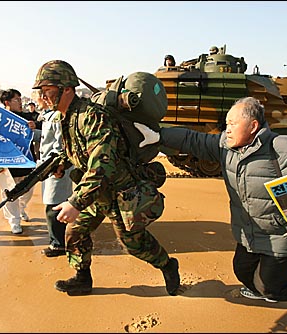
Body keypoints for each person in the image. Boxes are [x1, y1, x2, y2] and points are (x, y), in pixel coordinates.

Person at [135, 96, 287, 316]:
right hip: (247, 233)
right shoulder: (225, 147)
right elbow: (193, 139)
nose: (226, 129)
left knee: (270, 287)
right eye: (227, 123)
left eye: (232, 124)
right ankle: (264, 287)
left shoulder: (282, 147)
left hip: (278, 236)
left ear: (253, 126)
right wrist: (160, 137)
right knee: (242, 272)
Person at [31, 60, 180, 296]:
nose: (44, 96)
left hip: (118, 192)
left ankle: (167, 265)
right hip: (96, 193)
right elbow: (80, 151)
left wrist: (75, 202)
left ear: (67, 88)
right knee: (75, 232)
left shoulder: (91, 116)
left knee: (134, 244)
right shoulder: (66, 117)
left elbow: (101, 164)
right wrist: (61, 163)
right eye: (41, 91)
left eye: (48, 90)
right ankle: (82, 278)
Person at [0, 88, 37, 234]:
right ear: (7, 102)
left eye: (20, 99)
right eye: (17, 100)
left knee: (28, 189)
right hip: (7, 162)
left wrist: (34, 126)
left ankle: (21, 208)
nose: (20, 103)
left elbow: (40, 122)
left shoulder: (26, 118)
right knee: (8, 191)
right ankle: (14, 220)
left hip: (26, 160)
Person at [37, 102, 73, 257]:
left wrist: (58, 165)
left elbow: (60, 143)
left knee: (54, 205)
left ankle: (58, 244)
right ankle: (59, 240)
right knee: (54, 203)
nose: (40, 98)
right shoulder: (48, 115)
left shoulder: (57, 116)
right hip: (48, 165)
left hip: (56, 166)